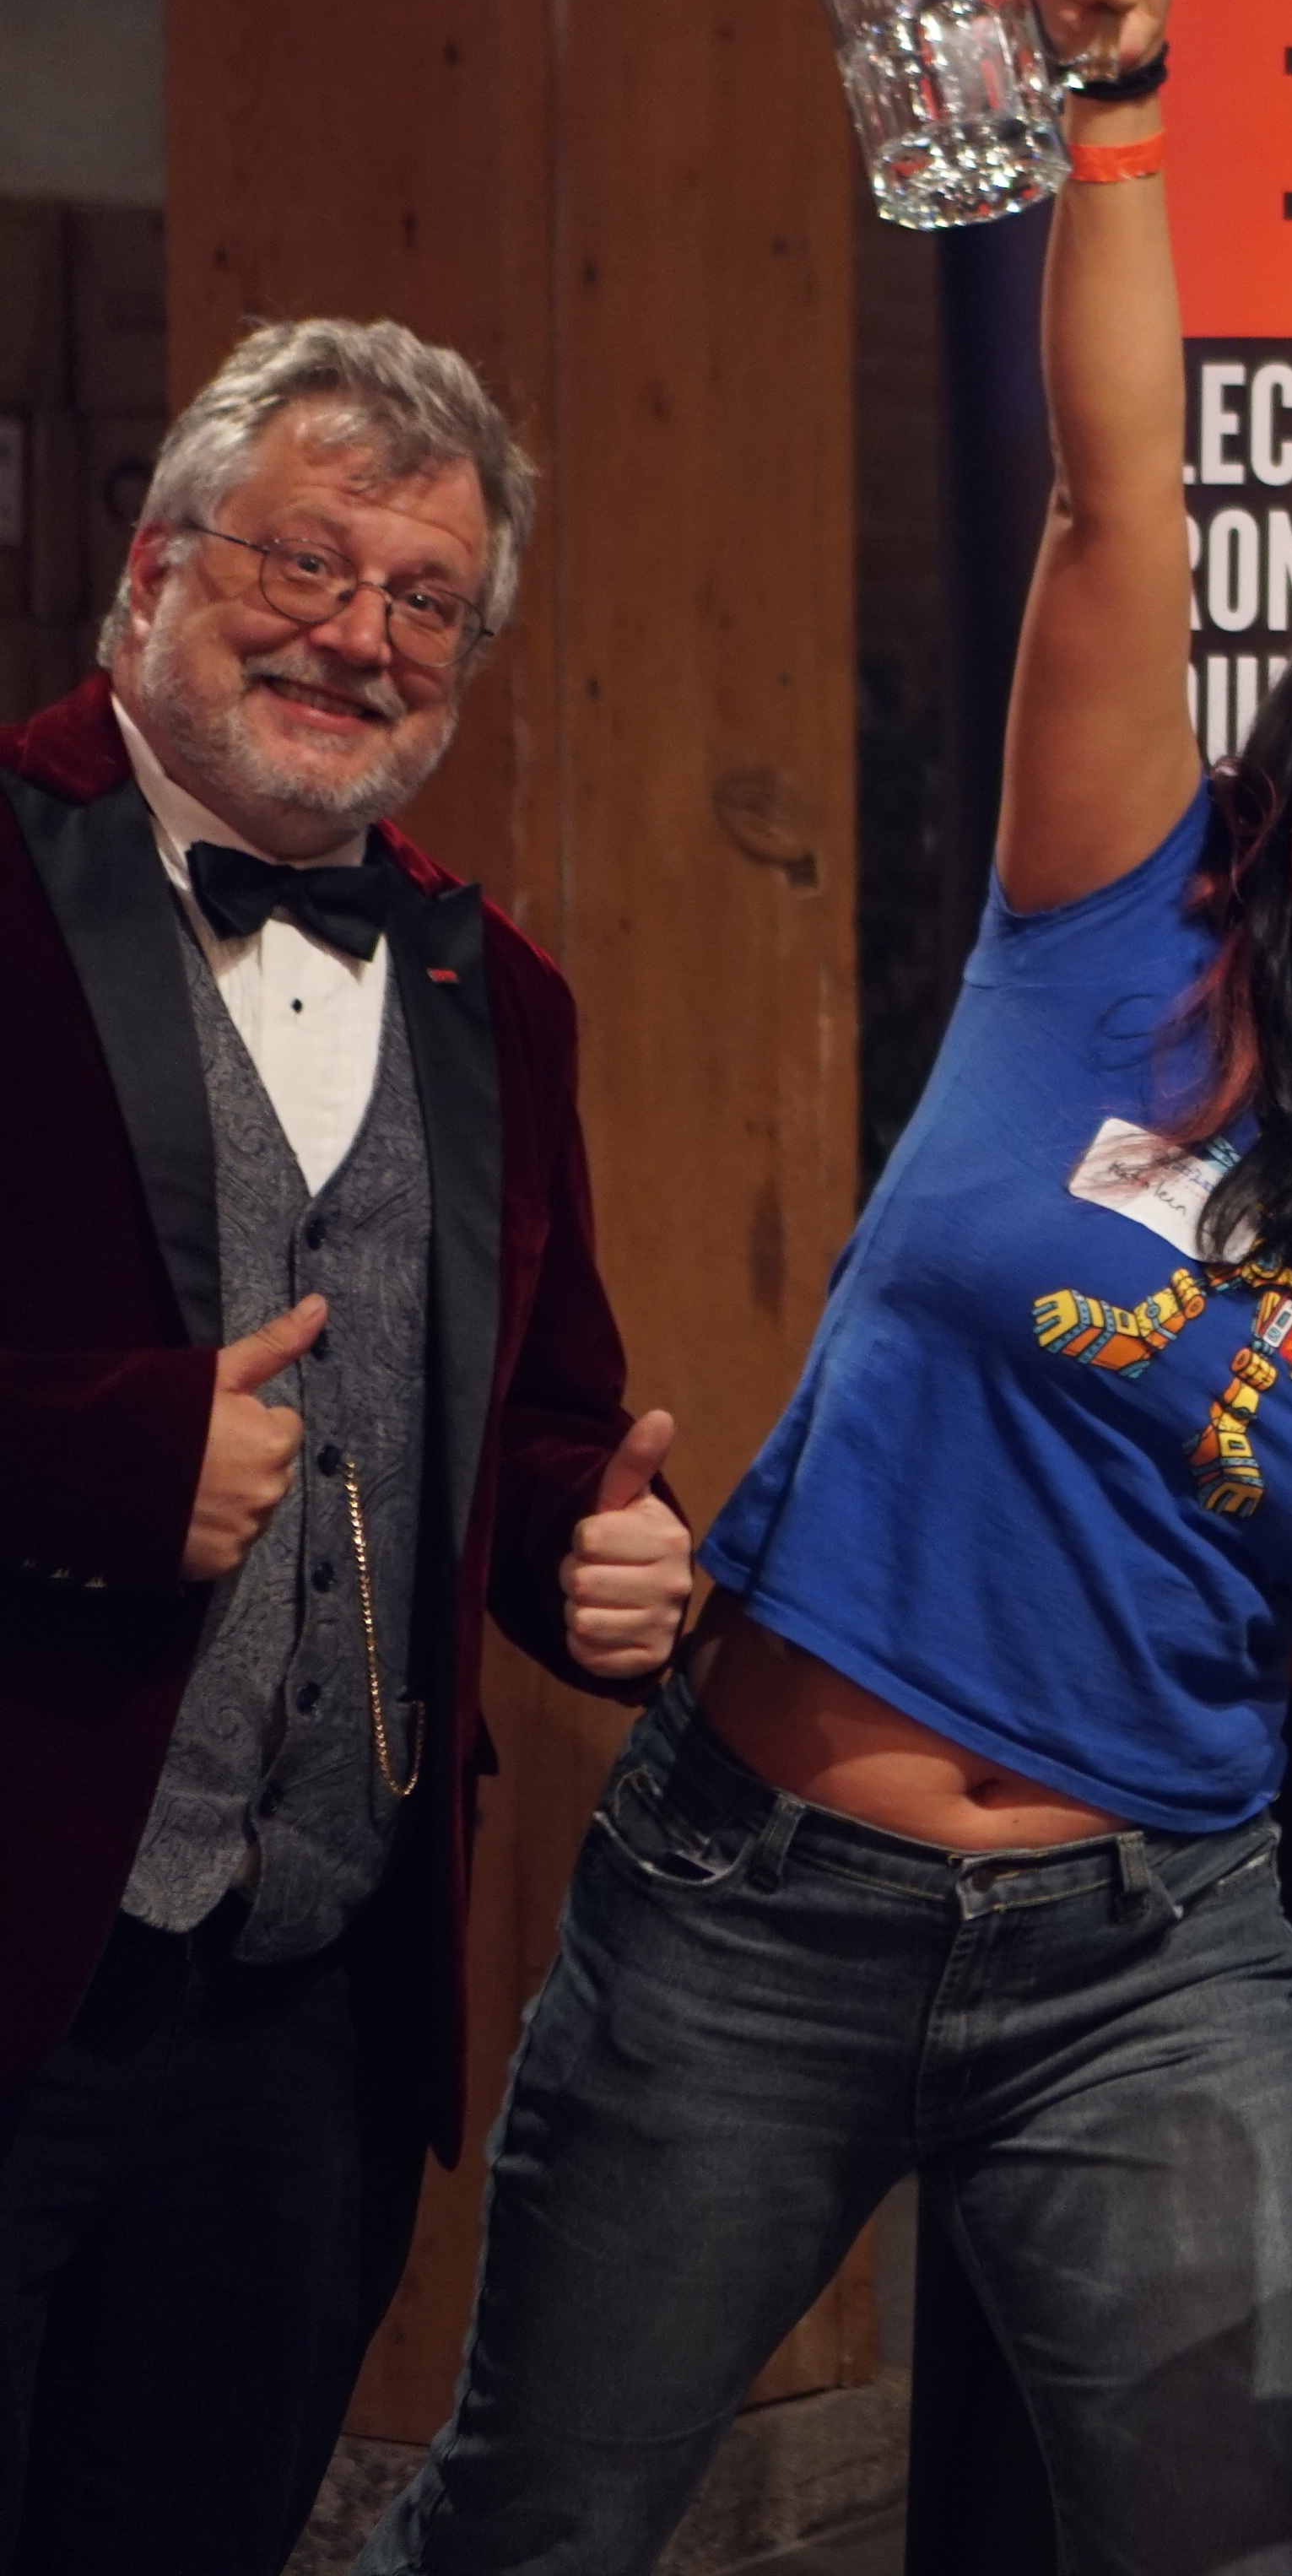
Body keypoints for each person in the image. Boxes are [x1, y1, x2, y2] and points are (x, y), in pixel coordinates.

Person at [359, 0, 1292, 2576]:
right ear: (1290, 768)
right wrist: (1131, 103)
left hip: (1153, 1951)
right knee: (534, 2523)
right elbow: (1126, 508)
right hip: (757, 1895)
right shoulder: (1113, 925)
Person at [0, 321, 696, 2575]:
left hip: (308, 2005)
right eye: (309, 562)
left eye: (425, 603)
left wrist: (609, 1555)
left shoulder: (499, 991)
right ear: (152, 571)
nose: (359, 636)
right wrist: (102, 1468)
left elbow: (546, 1424)